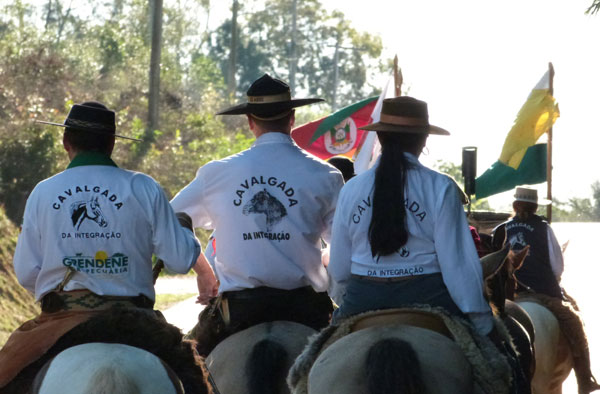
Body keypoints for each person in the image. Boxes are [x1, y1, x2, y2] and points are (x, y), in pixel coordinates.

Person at [0, 102, 218, 392]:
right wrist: (185, 232)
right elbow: (179, 261)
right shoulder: (144, 187)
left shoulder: (44, 191)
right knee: (200, 383)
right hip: (137, 321)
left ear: (66, 142)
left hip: (63, 319)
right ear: (112, 143)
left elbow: (27, 272)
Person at [171, 74, 344, 356]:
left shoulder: (216, 173)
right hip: (307, 309)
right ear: (292, 118)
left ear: (250, 122)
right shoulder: (326, 174)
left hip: (238, 310)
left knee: (185, 370)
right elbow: (342, 246)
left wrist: (204, 271)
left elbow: (170, 219)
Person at [327, 96, 494, 337]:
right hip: (428, 295)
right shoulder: (441, 187)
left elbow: (339, 269)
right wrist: (480, 318)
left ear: (380, 137)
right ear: (423, 139)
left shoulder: (351, 189)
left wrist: (346, 299)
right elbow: (456, 264)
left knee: (312, 363)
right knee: (493, 366)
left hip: (364, 297)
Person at [492, 186, 600, 394]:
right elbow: (557, 265)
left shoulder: (500, 229)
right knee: (574, 323)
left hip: (508, 295)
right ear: (535, 207)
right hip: (541, 294)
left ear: (515, 206)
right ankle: (585, 378)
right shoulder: (544, 228)